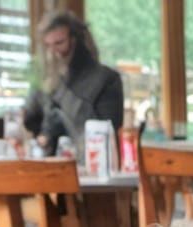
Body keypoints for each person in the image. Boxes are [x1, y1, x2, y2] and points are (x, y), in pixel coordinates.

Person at [23, 10, 124, 154]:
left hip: (90, 161)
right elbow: (33, 121)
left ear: (75, 40)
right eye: (48, 45)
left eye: (59, 43)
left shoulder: (106, 80)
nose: (52, 52)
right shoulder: (47, 80)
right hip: (52, 162)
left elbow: (107, 137)